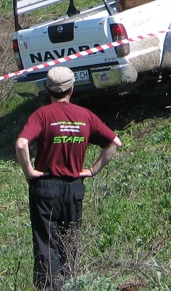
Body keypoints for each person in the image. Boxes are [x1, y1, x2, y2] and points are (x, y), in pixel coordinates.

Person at [16, 66, 121, 291]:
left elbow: (21, 143)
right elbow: (114, 143)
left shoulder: (42, 115)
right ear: (72, 89)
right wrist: (92, 170)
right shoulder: (85, 116)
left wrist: (30, 172)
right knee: (69, 244)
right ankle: (72, 285)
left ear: (47, 89)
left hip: (45, 188)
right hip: (74, 188)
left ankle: (49, 287)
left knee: (46, 245)